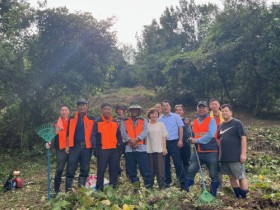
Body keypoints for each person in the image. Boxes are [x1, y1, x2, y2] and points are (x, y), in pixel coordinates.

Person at [185, 101, 219, 197]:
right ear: (197, 109)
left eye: (203, 107)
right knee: (191, 170)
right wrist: (189, 135)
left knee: (213, 174)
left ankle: (213, 195)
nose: (201, 109)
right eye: (199, 107)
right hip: (197, 152)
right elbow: (191, 135)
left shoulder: (211, 120)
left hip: (211, 152)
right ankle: (187, 194)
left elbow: (210, 135)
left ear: (207, 109)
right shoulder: (194, 122)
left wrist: (196, 140)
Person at [218, 104, 249, 199]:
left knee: (241, 176)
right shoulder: (220, 125)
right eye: (222, 111)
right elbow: (219, 141)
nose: (224, 113)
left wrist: (243, 154)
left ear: (231, 112)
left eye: (226, 111)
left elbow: (243, 138)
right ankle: (237, 195)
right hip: (224, 157)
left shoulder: (237, 123)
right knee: (231, 177)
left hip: (235, 156)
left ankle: (245, 197)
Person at [120, 104, 152, 192]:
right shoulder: (124, 121)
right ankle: (136, 189)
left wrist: (137, 139)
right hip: (129, 150)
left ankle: (148, 188)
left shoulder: (143, 120)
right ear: (130, 111)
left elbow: (145, 131)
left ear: (138, 111)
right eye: (132, 110)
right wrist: (131, 141)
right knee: (132, 171)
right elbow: (123, 132)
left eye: (136, 110)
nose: (134, 111)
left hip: (141, 148)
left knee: (145, 170)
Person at [65, 99, 95, 191]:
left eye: (83, 105)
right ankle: (68, 190)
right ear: (77, 107)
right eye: (80, 105)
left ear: (87, 106)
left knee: (85, 169)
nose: (82, 107)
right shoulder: (71, 119)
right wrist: (67, 145)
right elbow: (67, 133)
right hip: (74, 146)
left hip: (87, 147)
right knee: (70, 168)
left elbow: (95, 133)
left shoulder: (92, 119)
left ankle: (81, 190)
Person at [92, 103, 123, 191]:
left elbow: (119, 135)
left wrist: (120, 146)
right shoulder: (98, 122)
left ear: (111, 110)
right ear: (101, 110)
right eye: (105, 109)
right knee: (101, 170)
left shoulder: (114, 122)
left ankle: (113, 187)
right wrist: (95, 148)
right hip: (102, 150)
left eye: (109, 109)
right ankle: (99, 188)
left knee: (114, 169)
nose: (107, 111)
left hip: (114, 150)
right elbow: (93, 135)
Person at [158, 100, 186, 189]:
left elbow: (180, 128)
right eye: (164, 106)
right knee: (165, 163)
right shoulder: (159, 119)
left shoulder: (176, 116)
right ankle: (167, 181)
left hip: (174, 142)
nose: (165, 107)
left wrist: (180, 140)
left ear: (170, 107)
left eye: (167, 105)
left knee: (177, 162)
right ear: (161, 108)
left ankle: (181, 181)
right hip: (164, 143)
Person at [46, 105, 70, 195]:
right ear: (60, 112)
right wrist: (49, 144)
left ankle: (68, 190)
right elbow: (51, 137)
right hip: (60, 149)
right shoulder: (56, 123)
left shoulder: (71, 121)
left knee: (70, 170)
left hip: (71, 148)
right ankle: (57, 190)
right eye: (62, 110)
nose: (64, 112)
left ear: (68, 112)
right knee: (59, 170)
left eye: (65, 110)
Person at [146, 108, 168, 189]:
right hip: (149, 150)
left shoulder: (161, 124)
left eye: (155, 113)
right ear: (149, 115)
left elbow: (164, 136)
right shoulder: (146, 125)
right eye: (152, 113)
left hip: (159, 150)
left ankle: (161, 186)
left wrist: (164, 148)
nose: (154, 115)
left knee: (160, 169)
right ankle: (150, 186)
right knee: (150, 169)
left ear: (158, 115)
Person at [209, 98, 224, 187]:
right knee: (213, 163)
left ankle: (219, 183)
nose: (214, 106)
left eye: (216, 104)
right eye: (212, 104)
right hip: (212, 143)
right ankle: (215, 182)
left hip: (223, 143)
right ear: (210, 106)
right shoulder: (207, 117)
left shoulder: (225, 114)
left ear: (219, 105)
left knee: (220, 163)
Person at [174, 104, 192, 174]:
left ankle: (187, 177)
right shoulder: (173, 120)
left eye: (180, 110)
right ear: (174, 112)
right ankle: (180, 178)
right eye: (177, 110)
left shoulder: (186, 120)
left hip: (185, 144)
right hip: (175, 144)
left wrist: (189, 123)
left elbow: (190, 128)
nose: (178, 111)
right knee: (177, 162)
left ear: (183, 111)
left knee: (186, 161)